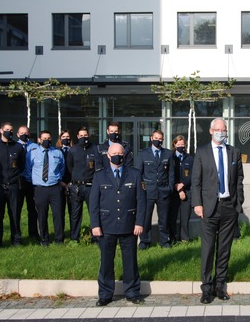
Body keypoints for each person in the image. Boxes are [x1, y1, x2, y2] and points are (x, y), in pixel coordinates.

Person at [191, 118, 245, 304]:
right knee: (207, 249)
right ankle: (206, 288)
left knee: (224, 248)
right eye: (218, 129)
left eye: (224, 129)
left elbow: (239, 179)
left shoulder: (234, 152)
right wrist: (197, 204)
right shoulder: (201, 152)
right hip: (208, 208)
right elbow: (196, 181)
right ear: (211, 131)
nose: (221, 132)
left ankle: (220, 285)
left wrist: (239, 202)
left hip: (229, 206)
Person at [89, 142, 146, 306]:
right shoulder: (99, 176)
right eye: (114, 153)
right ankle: (105, 294)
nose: (117, 156)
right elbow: (94, 204)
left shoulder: (134, 174)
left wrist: (139, 222)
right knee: (106, 261)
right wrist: (95, 225)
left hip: (129, 224)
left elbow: (141, 201)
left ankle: (133, 292)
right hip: (106, 226)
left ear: (125, 155)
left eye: (120, 153)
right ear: (108, 155)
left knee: (130, 261)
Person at [135, 130, 175, 249]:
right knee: (146, 218)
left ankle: (164, 241)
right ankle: (145, 241)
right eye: (156, 138)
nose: (158, 140)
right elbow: (138, 174)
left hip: (163, 191)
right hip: (148, 191)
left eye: (160, 138)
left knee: (164, 219)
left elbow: (171, 173)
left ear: (163, 140)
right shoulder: (143, 154)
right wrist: (141, 190)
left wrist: (170, 188)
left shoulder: (168, 154)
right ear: (152, 138)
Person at [27, 130, 65, 246]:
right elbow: (28, 169)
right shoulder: (32, 153)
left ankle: (59, 239)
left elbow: (62, 168)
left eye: (48, 138)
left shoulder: (57, 153)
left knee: (58, 214)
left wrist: (57, 179)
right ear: (39, 140)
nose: (46, 140)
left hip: (54, 187)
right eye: (44, 138)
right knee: (42, 215)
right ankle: (44, 239)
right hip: (40, 188)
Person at [66, 127, 98, 242]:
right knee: (75, 213)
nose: (84, 138)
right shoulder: (73, 150)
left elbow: (98, 166)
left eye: (86, 135)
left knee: (94, 212)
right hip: (77, 187)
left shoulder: (94, 149)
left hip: (91, 186)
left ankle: (96, 237)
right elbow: (70, 166)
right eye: (81, 136)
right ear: (77, 137)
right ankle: (74, 237)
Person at [168, 135, 194, 243]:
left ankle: (184, 239)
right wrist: (177, 188)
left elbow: (193, 175)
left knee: (185, 217)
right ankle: (173, 239)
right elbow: (168, 173)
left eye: (182, 145)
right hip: (173, 191)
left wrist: (182, 185)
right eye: (178, 145)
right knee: (172, 217)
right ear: (174, 144)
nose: (180, 147)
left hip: (186, 190)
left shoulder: (190, 158)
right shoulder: (170, 157)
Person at [16, 126, 40, 242]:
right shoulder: (14, 146)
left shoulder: (35, 147)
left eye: (26, 133)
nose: (24, 135)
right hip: (19, 181)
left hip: (32, 181)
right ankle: (17, 235)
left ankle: (33, 233)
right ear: (17, 134)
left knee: (33, 209)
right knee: (17, 209)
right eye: (22, 133)